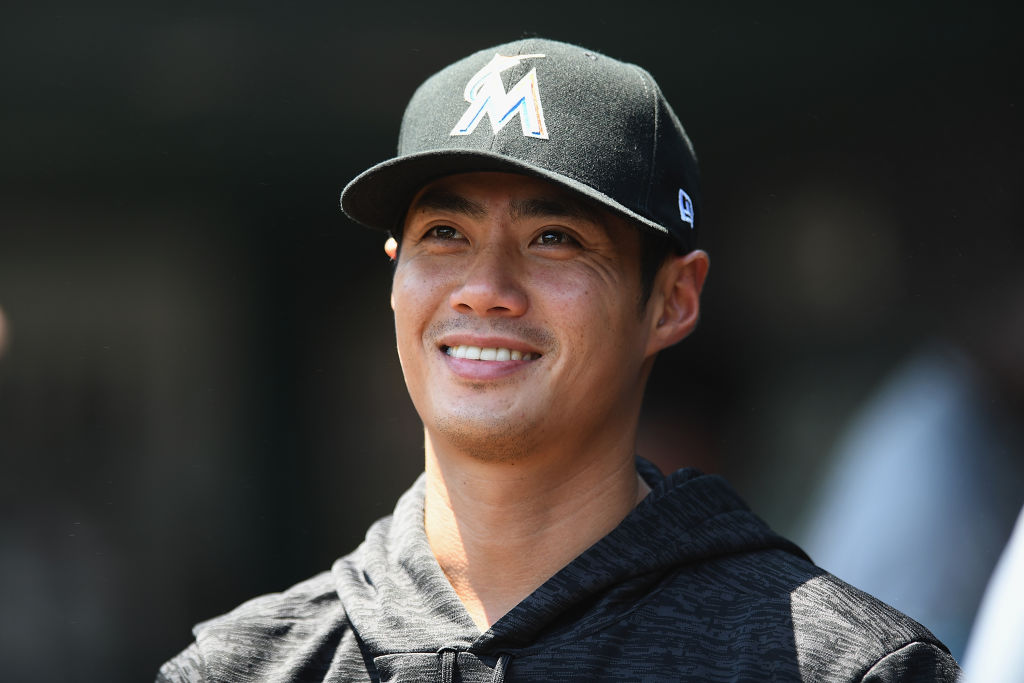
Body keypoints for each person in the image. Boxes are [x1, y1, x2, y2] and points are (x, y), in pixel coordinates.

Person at [158, 38, 959, 681]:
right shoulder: (241, 667)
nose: (485, 289)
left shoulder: (840, 666)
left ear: (672, 299)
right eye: (446, 234)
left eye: (555, 238)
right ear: (396, 274)